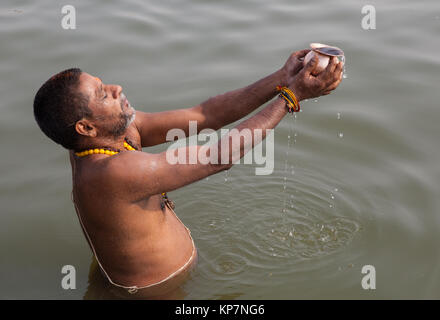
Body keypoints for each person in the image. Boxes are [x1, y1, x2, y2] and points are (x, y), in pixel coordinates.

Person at [33, 49, 343, 299]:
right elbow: (219, 157)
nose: (117, 89)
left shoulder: (115, 134)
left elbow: (205, 116)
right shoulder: (112, 173)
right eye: (103, 95)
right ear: (86, 128)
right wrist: (290, 97)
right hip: (152, 294)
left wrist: (282, 78)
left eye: (106, 84)